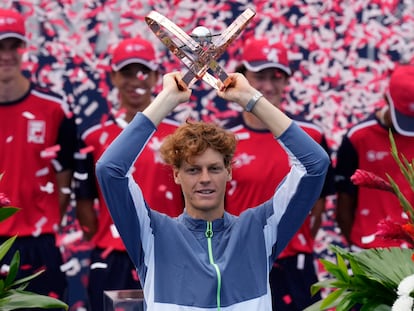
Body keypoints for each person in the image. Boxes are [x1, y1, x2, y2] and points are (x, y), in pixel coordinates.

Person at [95, 70, 330, 310]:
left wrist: (251, 98)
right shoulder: (152, 233)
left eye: (215, 168)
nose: (205, 179)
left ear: (229, 171)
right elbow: (110, 169)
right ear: (176, 174)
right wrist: (166, 100)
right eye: (193, 170)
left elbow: (314, 165)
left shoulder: (259, 229)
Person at [223, 37, 335, 310]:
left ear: (287, 81)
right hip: (240, 261)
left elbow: (317, 205)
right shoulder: (222, 138)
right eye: (259, 76)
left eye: (277, 77)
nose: (269, 87)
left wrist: (293, 240)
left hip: (295, 267)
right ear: (242, 76)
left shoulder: (311, 136)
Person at [74, 37, 184, 311]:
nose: (136, 79)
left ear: (157, 76)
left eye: (144, 71)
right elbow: (85, 204)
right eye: (126, 71)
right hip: (112, 257)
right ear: (113, 76)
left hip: (167, 254)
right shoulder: (94, 137)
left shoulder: (182, 135)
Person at [0, 7, 77, 309]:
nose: (6, 55)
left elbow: (64, 178)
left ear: (23, 48)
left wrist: (40, 221)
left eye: (12, 45)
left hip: (36, 242)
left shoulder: (54, 107)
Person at [335, 64, 414, 251]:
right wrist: (359, 249)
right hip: (371, 251)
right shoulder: (358, 137)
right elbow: (344, 203)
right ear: (387, 98)